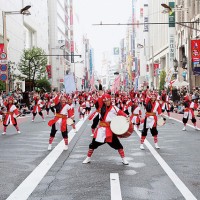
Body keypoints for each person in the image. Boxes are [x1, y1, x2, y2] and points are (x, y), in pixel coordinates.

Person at [82, 93, 129, 165]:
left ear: (110, 100)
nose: (107, 102)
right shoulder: (101, 107)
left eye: (108, 100)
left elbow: (122, 113)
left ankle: (124, 159)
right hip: (101, 130)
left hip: (110, 130)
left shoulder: (114, 108)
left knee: (118, 145)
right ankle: (88, 158)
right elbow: (98, 100)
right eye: (105, 101)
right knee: (93, 144)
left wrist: (127, 117)